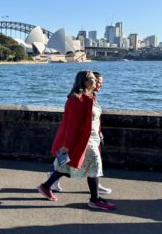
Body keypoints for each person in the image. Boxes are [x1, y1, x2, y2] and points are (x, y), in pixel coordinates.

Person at [37, 70, 116, 210]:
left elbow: (92, 120)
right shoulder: (76, 99)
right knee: (94, 167)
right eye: (93, 79)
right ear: (84, 82)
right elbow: (71, 125)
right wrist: (66, 145)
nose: (96, 82)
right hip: (83, 140)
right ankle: (94, 199)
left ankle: (46, 186)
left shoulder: (89, 97)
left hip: (91, 138)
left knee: (66, 166)